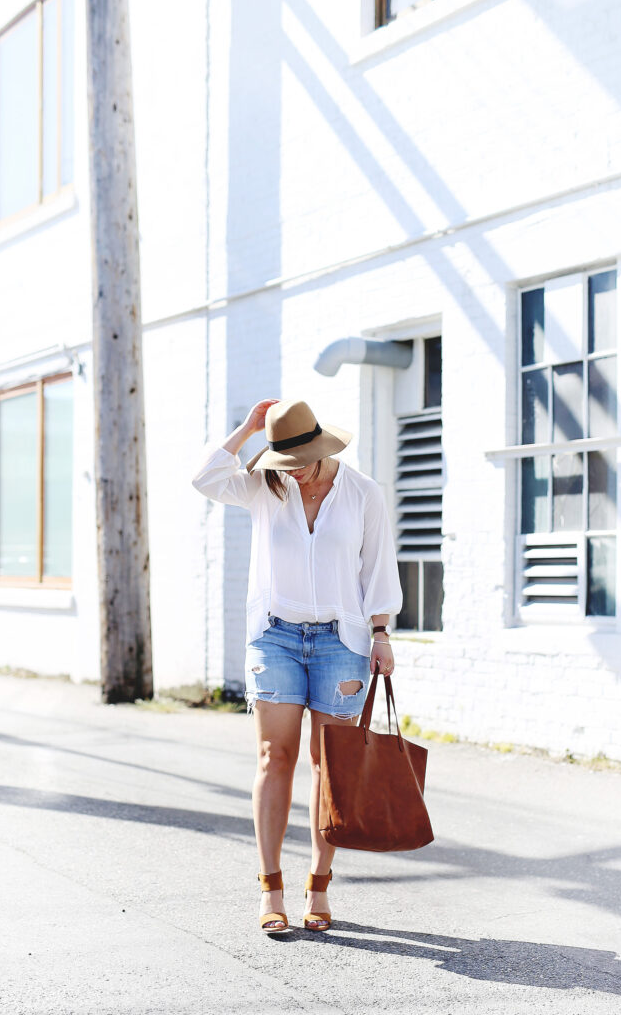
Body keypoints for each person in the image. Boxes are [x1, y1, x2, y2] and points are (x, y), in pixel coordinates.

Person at [192, 398, 402, 934]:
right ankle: (270, 888)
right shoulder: (265, 486)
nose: (292, 472)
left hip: (342, 641)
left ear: (321, 446)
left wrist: (381, 634)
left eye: (300, 460)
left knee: (329, 765)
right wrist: (245, 429)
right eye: (282, 461)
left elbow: (378, 568)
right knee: (272, 756)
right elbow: (205, 478)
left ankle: (319, 885)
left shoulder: (362, 493)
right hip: (275, 637)